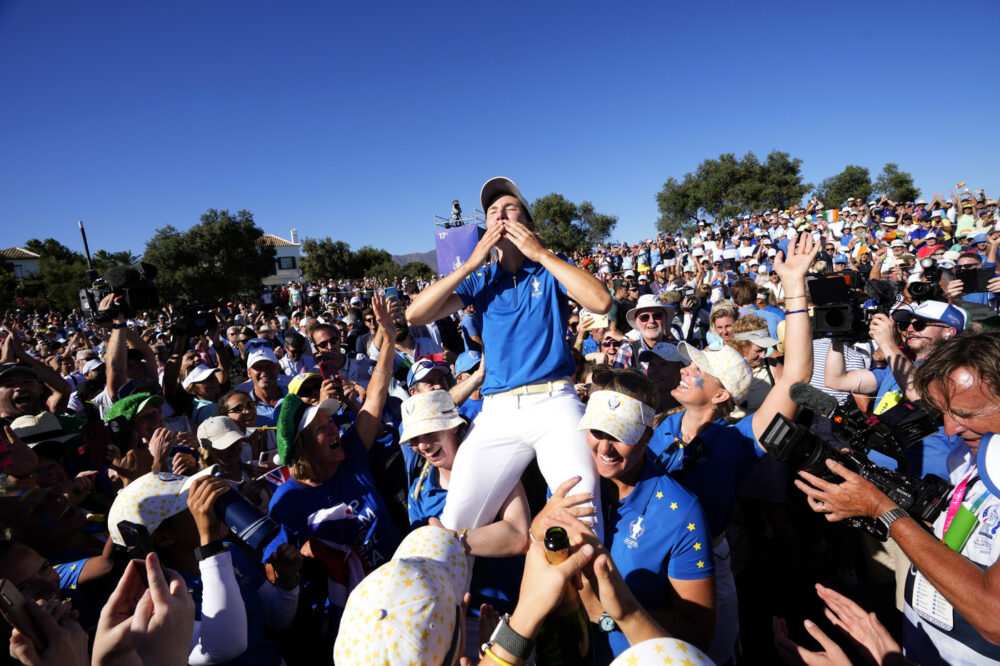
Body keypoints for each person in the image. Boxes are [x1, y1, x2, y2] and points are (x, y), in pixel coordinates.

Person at [406, 177, 612, 539]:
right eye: (492, 212)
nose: (500, 216)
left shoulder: (550, 267)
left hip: (555, 402)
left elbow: (601, 302)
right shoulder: (480, 279)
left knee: (584, 515)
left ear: (528, 224)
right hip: (498, 410)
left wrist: (542, 254)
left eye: (510, 209)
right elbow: (415, 315)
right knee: (454, 524)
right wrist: (469, 264)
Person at [646, 231, 817, 664]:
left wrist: (794, 286)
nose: (685, 373)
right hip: (648, 555)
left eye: (698, 372)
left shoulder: (739, 442)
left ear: (722, 396)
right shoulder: (659, 428)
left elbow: (796, 376)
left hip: (705, 567)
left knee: (709, 656)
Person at [795, 330, 1000, 665]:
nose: (949, 429)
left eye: (963, 413)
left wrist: (883, 509)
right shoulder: (980, 462)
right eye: (943, 412)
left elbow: (994, 617)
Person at [537, 370, 716, 659]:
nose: (605, 448)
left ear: (647, 434)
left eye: (620, 435)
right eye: (597, 432)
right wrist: (538, 527)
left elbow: (698, 634)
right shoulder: (568, 482)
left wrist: (611, 615)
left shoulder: (681, 512)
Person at [399, 390, 529, 659]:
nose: (423, 445)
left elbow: (519, 536)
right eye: (415, 439)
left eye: (431, 434)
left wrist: (452, 540)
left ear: (455, 428)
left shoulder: (495, 468)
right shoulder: (420, 489)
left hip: (509, 616)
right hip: (453, 623)